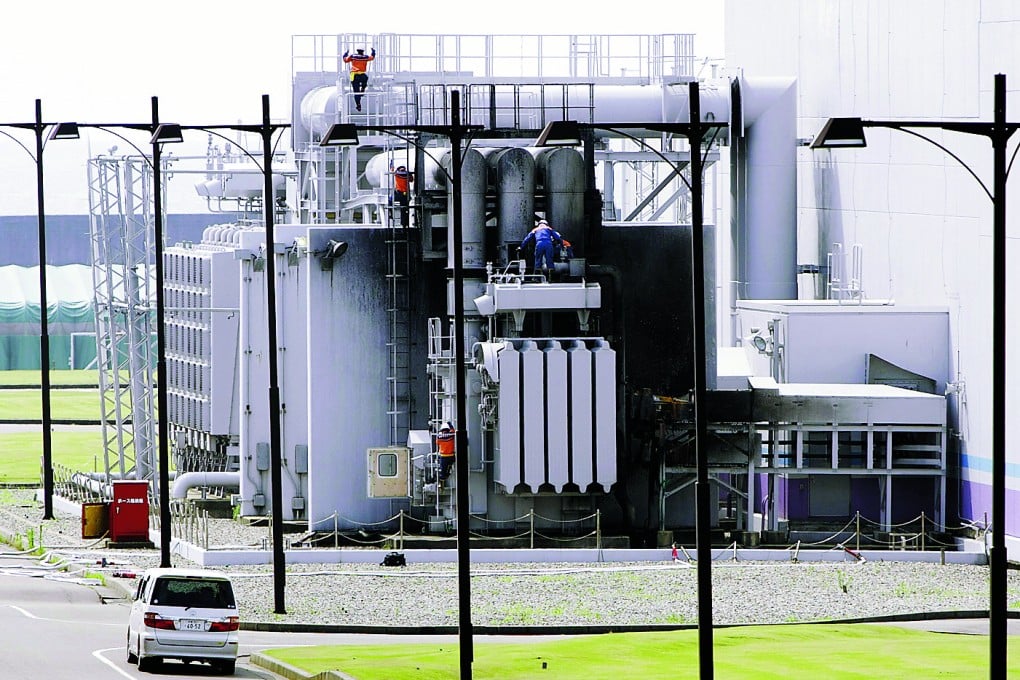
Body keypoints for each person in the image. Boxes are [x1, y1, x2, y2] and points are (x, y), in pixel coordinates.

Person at [342, 47, 376, 111]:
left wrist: (346, 54)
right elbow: (372, 57)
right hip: (362, 75)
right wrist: (373, 51)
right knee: (365, 79)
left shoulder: (353, 56)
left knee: (356, 91)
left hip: (354, 76)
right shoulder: (365, 57)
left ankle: (358, 104)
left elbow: (345, 60)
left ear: (357, 51)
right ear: (363, 51)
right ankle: (363, 88)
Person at [391, 163, 413, 227]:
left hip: (401, 193)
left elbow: (411, 180)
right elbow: (411, 179)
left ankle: (404, 223)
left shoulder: (397, 175)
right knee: (405, 209)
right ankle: (405, 223)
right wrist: (409, 173)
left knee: (404, 209)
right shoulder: (406, 175)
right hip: (403, 194)